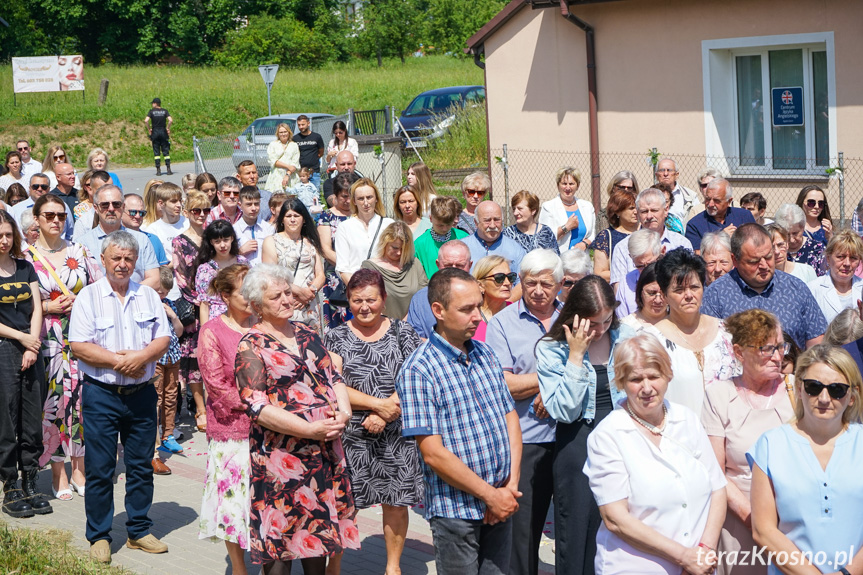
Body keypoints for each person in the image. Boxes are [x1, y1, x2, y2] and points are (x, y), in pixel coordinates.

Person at [396, 267, 523, 575]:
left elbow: (511, 420)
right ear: (438, 311)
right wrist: (490, 495)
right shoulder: (419, 369)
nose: (478, 316)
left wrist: (509, 487)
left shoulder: (485, 355)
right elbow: (433, 453)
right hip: (457, 513)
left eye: (478, 306)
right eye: (466, 309)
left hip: (501, 502)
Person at [235, 264, 358, 571]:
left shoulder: (307, 332)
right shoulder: (250, 344)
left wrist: (344, 412)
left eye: (288, 292)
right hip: (282, 460)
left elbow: (334, 377)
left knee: (316, 545)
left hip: (323, 453)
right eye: (277, 296)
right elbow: (257, 406)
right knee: (280, 553)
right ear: (257, 306)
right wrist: (308, 429)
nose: (287, 300)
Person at [583, 333, 727, 575]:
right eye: (636, 379)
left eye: (654, 376)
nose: (647, 388)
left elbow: (718, 488)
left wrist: (703, 551)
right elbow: (615, 519)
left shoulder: (687, 419)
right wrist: (683, 557)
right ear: (620, 382)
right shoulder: (607, 435)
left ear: (668, 376)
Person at [69, 230, 172, 564]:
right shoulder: (88, 296)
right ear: (103, 260)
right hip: (102, 394)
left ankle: (138, 531)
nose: (123, 264)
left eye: (129, 258)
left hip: (142, 394)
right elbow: (79, 345)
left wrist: (141, 359)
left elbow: (163, 338)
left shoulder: (148, 295)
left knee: (141, 466)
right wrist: (120, 361)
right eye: (117, 258)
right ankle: (99, 535)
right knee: (101, 468)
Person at [324, 269, 424, 575]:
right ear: (348, 302)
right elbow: (331, 383)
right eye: (356, 300)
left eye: (371, 299)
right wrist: (377, 405)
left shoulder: (402, 332)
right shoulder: (335, 335)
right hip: (351, 435)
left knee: (396, 502)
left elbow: (415, 376)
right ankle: (335, 566)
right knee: (345, 504)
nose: (364, 306)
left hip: (397, 433)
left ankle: (393, 567)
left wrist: (384, 412)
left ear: (384, 298)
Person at [536, 275, 636, 575]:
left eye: (606, 320)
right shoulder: (552, 348)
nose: (600, 329)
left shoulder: (626, 335)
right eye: (592, 323)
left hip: (623, 438)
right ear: (574, 316)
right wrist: (577, 356)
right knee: (577, 531)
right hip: (578, 439)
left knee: (621, 527)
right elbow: (564, 410)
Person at [748, 345, 863, 575]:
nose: (823, 398)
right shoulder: (770, 444)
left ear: (852, 396)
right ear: (799, 389)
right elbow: (763, 529)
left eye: (837, 390)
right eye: (813, 387)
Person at [485, 249, 562, 575]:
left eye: (546, 283)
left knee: (571, 529)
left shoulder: (572, 317)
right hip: (527, 440)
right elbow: (504, 384)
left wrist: (548, 389)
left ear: (559, 285)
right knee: (524, 532)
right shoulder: (502, 323)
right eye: (531, 283)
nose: (538, 290)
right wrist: (553, 382)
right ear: (521, 282)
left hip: (571, 437)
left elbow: (591, 370)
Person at [701, 309, 794, 575]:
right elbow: (715, 471)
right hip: (739, 520)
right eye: (767, 349)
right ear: (739, 352)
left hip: (791, 521)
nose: (778, 357)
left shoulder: (798, 390)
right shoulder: (718, 396)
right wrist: (755, 520)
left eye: (780, 346)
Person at [26, 194, 101, 500]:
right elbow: (20, 304)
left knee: (82, 402)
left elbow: (99, 290)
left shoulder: (80, 252)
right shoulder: (26, 257)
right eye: (49, 215)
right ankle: (58, 473)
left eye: (61, 215)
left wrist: (78, 299)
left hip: (80, 336)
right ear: (37, 219)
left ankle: (80, 468)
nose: (56, 220)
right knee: (53, 405)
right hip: (47, 340)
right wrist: (47, 304)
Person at [196, 264, 254, 575]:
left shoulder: (265, 326)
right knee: (234, 505)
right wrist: (257, 406)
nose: (252, 297)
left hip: (270, 431)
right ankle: (240, 569)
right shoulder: (212, 331)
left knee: (261, 503)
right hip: (232, 430)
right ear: (225, 296)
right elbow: (216, 384)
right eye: (245, 291)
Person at [702, 224, 827, 350]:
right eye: (753, 261)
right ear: (735, 260)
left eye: (768, 257)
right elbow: (708, 348)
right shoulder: (716, 295)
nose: (763, 265)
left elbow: (817, 343)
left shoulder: (796, 289)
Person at [0, 211, 49, 519]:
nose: (3, 241)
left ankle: (31, 480)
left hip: (31, 349)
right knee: (6, 419)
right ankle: (10, 485)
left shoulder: (25, 267)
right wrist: (22, 338)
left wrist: (31, 343)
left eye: (7, 234)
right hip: (4, 348)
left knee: (32, 418)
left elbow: (37, 308)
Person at [651, 248, 738, 413]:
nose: (689, 295)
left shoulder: (726, 332)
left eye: (694, 287)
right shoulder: (652, 341)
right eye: (679, 290)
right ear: (664, 295)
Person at [172, 191, 210, 434]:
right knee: (195, 360)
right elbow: (181, 276)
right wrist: (200, 300)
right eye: (196, 210)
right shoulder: (180, 240)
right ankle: (200, 408)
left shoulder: (212, 237)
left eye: (206, 210)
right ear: (187, 212)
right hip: (194, 307)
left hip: (216, 304)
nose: (201, 215)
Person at [261, 198, 325, 332]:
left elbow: (320, 274)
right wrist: (299, 292)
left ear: (304, 219)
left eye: (296, 216)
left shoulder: (311, 242)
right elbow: (270, 275)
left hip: (310, 303)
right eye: (288, 216)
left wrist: (309, 293)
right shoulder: (272, 241)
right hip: (286, 301)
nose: (292, 219)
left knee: (312, 344)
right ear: (282, 220)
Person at [78, 185, 160, 289]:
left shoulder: (141, 239)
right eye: (105, 205)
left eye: (116, 204)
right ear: (96, 208)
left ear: (123, 207)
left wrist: (125, 294)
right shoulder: (82, 244)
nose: (111, 209)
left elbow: (155, 279)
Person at [610, 188, 692, 286]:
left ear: (666, 210)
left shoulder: (681, 243)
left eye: (654, 210)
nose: (649, 216)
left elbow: (689, 282)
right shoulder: (623, 248)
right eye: (644, 211)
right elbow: (619, 290)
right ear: (638, 214)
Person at [406, 239, 473, 340]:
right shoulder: (420, 299)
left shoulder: (480, 295)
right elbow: (414, 339)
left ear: (470, 265)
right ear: (438, 264)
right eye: (448, 265)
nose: (453, 270)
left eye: (460, 265)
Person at [335, 178, 394, 285]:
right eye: (361, 199)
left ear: (376, 198)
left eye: (369, 197)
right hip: (356, 287)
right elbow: (342, 268)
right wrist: (358, 291)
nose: (366, 203)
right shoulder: (344, 227)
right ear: (354, 201)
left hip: (385, 287)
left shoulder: (389, 224)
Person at [318, 172, 357, 331]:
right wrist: (347, 269)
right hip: (336, 277)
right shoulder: (326, 216)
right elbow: (326, 250)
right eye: (343, 196)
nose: (347, 200)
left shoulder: (359, 215)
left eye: (350, 196)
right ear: (335, 195)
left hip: (360, 274)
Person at [195, 221, 249, 326]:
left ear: (232, 239)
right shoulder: (205, 270)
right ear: (211, 242)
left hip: (242, 317)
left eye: (226, 240)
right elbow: (204, 306)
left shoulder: (243, 263)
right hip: (216, 320)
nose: (222, 245)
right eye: (217, 241)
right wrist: (204, 332)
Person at [807, 229, 863, 323]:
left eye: (853, 258)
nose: (847, 263)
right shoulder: (812, 290)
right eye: (841, 257)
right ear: (828, 258)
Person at [463, 200, 526, 282]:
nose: (492, 225)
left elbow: (521, 283)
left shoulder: (516, 250)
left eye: (497, 220)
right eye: (487, 220)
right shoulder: (463, 248)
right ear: (476, 222)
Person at [685, 179, 755, 252]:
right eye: (707, 199)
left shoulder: (744, 216)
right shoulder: (694, 225)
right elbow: (697, 257)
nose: (710, 204)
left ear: (729, 201)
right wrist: (721, 238)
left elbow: (757, 243)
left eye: (716, 200)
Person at [591, 177, 639, 281]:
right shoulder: (606, 236)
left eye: (637, 208)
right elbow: (600, 273)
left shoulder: (645, 233)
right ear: (617, 212)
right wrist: (630, 274)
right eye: (631, 208)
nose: (636, 212)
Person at [538, 167, 596, 253]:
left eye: (571, 184)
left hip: (582, 259)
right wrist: (566, 227)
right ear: (558, 185)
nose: (568, 187)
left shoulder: (587, 206)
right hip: (558, 260)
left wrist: (584, 244)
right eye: (564, 183)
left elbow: (593, 234)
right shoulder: (548, 207)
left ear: (578, 186)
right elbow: (544, 237)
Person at [414, 196, 468, 278]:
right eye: (440, 225)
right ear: (431, 218)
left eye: (449, 224)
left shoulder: (464, 237)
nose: (444, 228)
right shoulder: (420, 244)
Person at [615, 229, 663, 318]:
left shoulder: (671, 278)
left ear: (661, 253)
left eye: (650, 264)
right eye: (640, 266)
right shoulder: (626, 283)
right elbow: (621, 321)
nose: (646, 270)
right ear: (631, 257)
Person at [773, 203, 826, 275]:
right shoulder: (775, 251)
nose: (791, 239)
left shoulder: (817, 249)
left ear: (803, 228)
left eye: (795, 233)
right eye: (787, 234)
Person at [471, 255, 514, 342]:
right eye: (499, 278)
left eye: (510, 277)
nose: (507, 283)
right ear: (480, 285)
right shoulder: (470, 316)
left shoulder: (518, 313)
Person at [504, 189, 560, 255]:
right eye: (514, 209)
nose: (515, 213)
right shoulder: (508, 233)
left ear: (533, 210)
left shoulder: (546, 232)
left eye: (520, 209)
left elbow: (556, 258)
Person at [122, 193, 169, 267]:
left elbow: (163, 270)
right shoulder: (112, 238)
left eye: (141, 213)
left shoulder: (153, 239)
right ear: (121, 211)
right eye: (133, 212)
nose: (137, 216)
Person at [619, 262, 667, 331]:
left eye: (664, 293)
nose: (658, 300)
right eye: (651, 293)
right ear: (640, 292)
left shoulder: (682, 325)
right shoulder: (624, 327)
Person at [234, 187, 275, 266]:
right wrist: (240, 251)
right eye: (248, 204)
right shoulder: (234, 230)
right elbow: (227, 258)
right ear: (240, 205)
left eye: (256, 204)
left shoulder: (268, 229)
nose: (253, 208)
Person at [655, 157, 700, 223]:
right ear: (656, 175)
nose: (665, 174)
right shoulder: (646, 195)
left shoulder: (690, 196)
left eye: (669, 170)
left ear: (676, 175)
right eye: (662, 170)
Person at [263, 122, 300, 193]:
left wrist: (287, 175)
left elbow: (295, 163)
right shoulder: (273, 144)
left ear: (289, 132)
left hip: (291, 176)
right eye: (281, 132)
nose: (283, 134)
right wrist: (288, 166)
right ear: (278, 134)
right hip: (276, 175)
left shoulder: (294, 145)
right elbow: (273, 161)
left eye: (285, 132)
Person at [292, 115, 326, 190]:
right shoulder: (295, 138)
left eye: (303, 124)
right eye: (299, 125)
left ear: (308, 123)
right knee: (302, 195)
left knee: (316, 195)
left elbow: (321, 152)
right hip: (301, 172)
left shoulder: (317, 137)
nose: (301, 127)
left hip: (314, 172)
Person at [145, 97, 173, 176]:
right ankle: (168, 169)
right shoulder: (165, 111)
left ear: (155, 103)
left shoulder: (151, 112)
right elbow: (170, 120)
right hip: (163, 132)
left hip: (155, 132)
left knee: (156, 153)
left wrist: (149, 129)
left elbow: (146, 120)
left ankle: (158, 170)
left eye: (152, 103)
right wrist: (168, 128)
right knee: (166, 151)